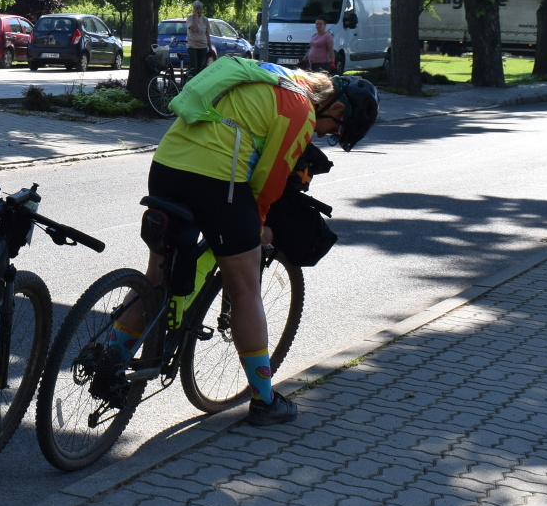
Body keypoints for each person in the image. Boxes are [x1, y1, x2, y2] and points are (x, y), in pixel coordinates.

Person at [107, 60, 378, 426]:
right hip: (216, 180)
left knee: (156, 275)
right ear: (336, 108)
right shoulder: (299, 110)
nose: (321, 136)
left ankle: (107, 358)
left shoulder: (271, 76)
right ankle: (264, 401)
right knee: (246, 285)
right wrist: (260, 229)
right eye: (331, 131)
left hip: (167, 163)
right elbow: (267, 182)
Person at [186, 2, 213, 74]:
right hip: (192, 46)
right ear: (194, 10)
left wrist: (210, 47)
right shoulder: (190, 18)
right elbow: (194, 29)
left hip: (203, 46)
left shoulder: (205, 20)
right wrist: (196, 18)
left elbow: (207, 33)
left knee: (201, 68)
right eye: (197, 9)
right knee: (194, 67)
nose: (199, 11)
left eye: (200, 9)